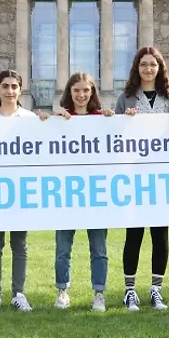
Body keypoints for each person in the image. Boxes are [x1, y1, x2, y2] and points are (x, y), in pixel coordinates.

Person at [115, 47, 169, 312]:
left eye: (152, 65)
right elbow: (114, 135)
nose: (148, 69)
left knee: (160, 234)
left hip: (162, 175)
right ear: (137, 67)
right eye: (143, 64)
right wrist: (123, 121)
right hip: (134, 174)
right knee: (133, 233)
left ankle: (156, 289)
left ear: (160, 68)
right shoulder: (126, 98)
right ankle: (129, 290)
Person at [0, 70, 47, 312]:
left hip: (21, 190)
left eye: (14, 87)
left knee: (20, 244)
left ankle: (18, 292)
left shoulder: (31, 119)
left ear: (20, 90)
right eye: (5, 86)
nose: (10, 91)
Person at [52, 72, 114, 312]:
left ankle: (99, 293)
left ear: (92, 93)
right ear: (70, 92)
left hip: (95, 194)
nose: (81, 95)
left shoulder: (102, 118)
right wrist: (49, 119)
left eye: (86, 91)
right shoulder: (60, 119)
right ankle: (62, 290)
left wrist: (115, 119)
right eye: (76, 90)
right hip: (66, 194)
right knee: (63, 248)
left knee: (99, 248)